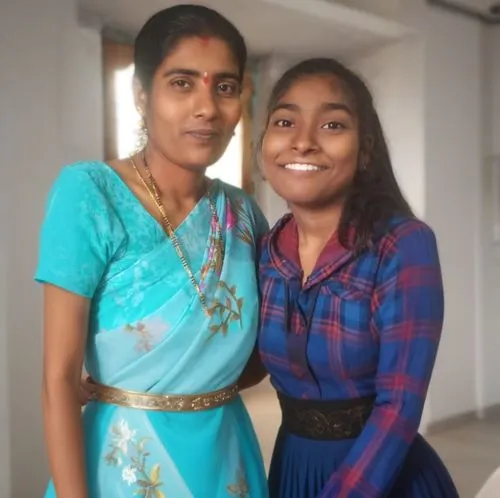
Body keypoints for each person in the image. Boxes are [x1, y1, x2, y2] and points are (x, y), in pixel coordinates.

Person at [36, 5, 269, 497]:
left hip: (226, 459)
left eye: (224, 87)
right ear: (142, 95)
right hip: (122, 465)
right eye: (182, 83)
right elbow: (58, 379)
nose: (207, 107)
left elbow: (263, 351)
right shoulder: (91, 194)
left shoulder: (244, 216)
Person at [256, 58, 459, 497]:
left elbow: (399, 406)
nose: (303, 142)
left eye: (332, 125)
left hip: (380, 476)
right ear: (263, 144)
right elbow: (236, 358)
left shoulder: (403, 245)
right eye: (286, 121)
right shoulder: (265, 250)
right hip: (292, 467)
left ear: (365, 151)